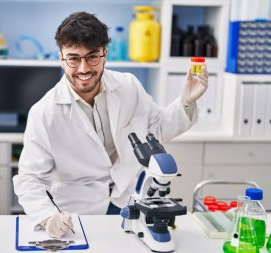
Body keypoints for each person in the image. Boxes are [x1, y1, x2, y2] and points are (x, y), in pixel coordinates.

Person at [13, 12, 208, 239]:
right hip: (77, 212)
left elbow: (158, 128)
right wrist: (47, 215)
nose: (84, 69)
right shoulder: (44, 112)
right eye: (74, 58)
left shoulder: (128, 86)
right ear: (61, 58)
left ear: (105, 54)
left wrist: (186, 101)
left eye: (93, 56)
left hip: (129, 202)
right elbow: (30, 178)